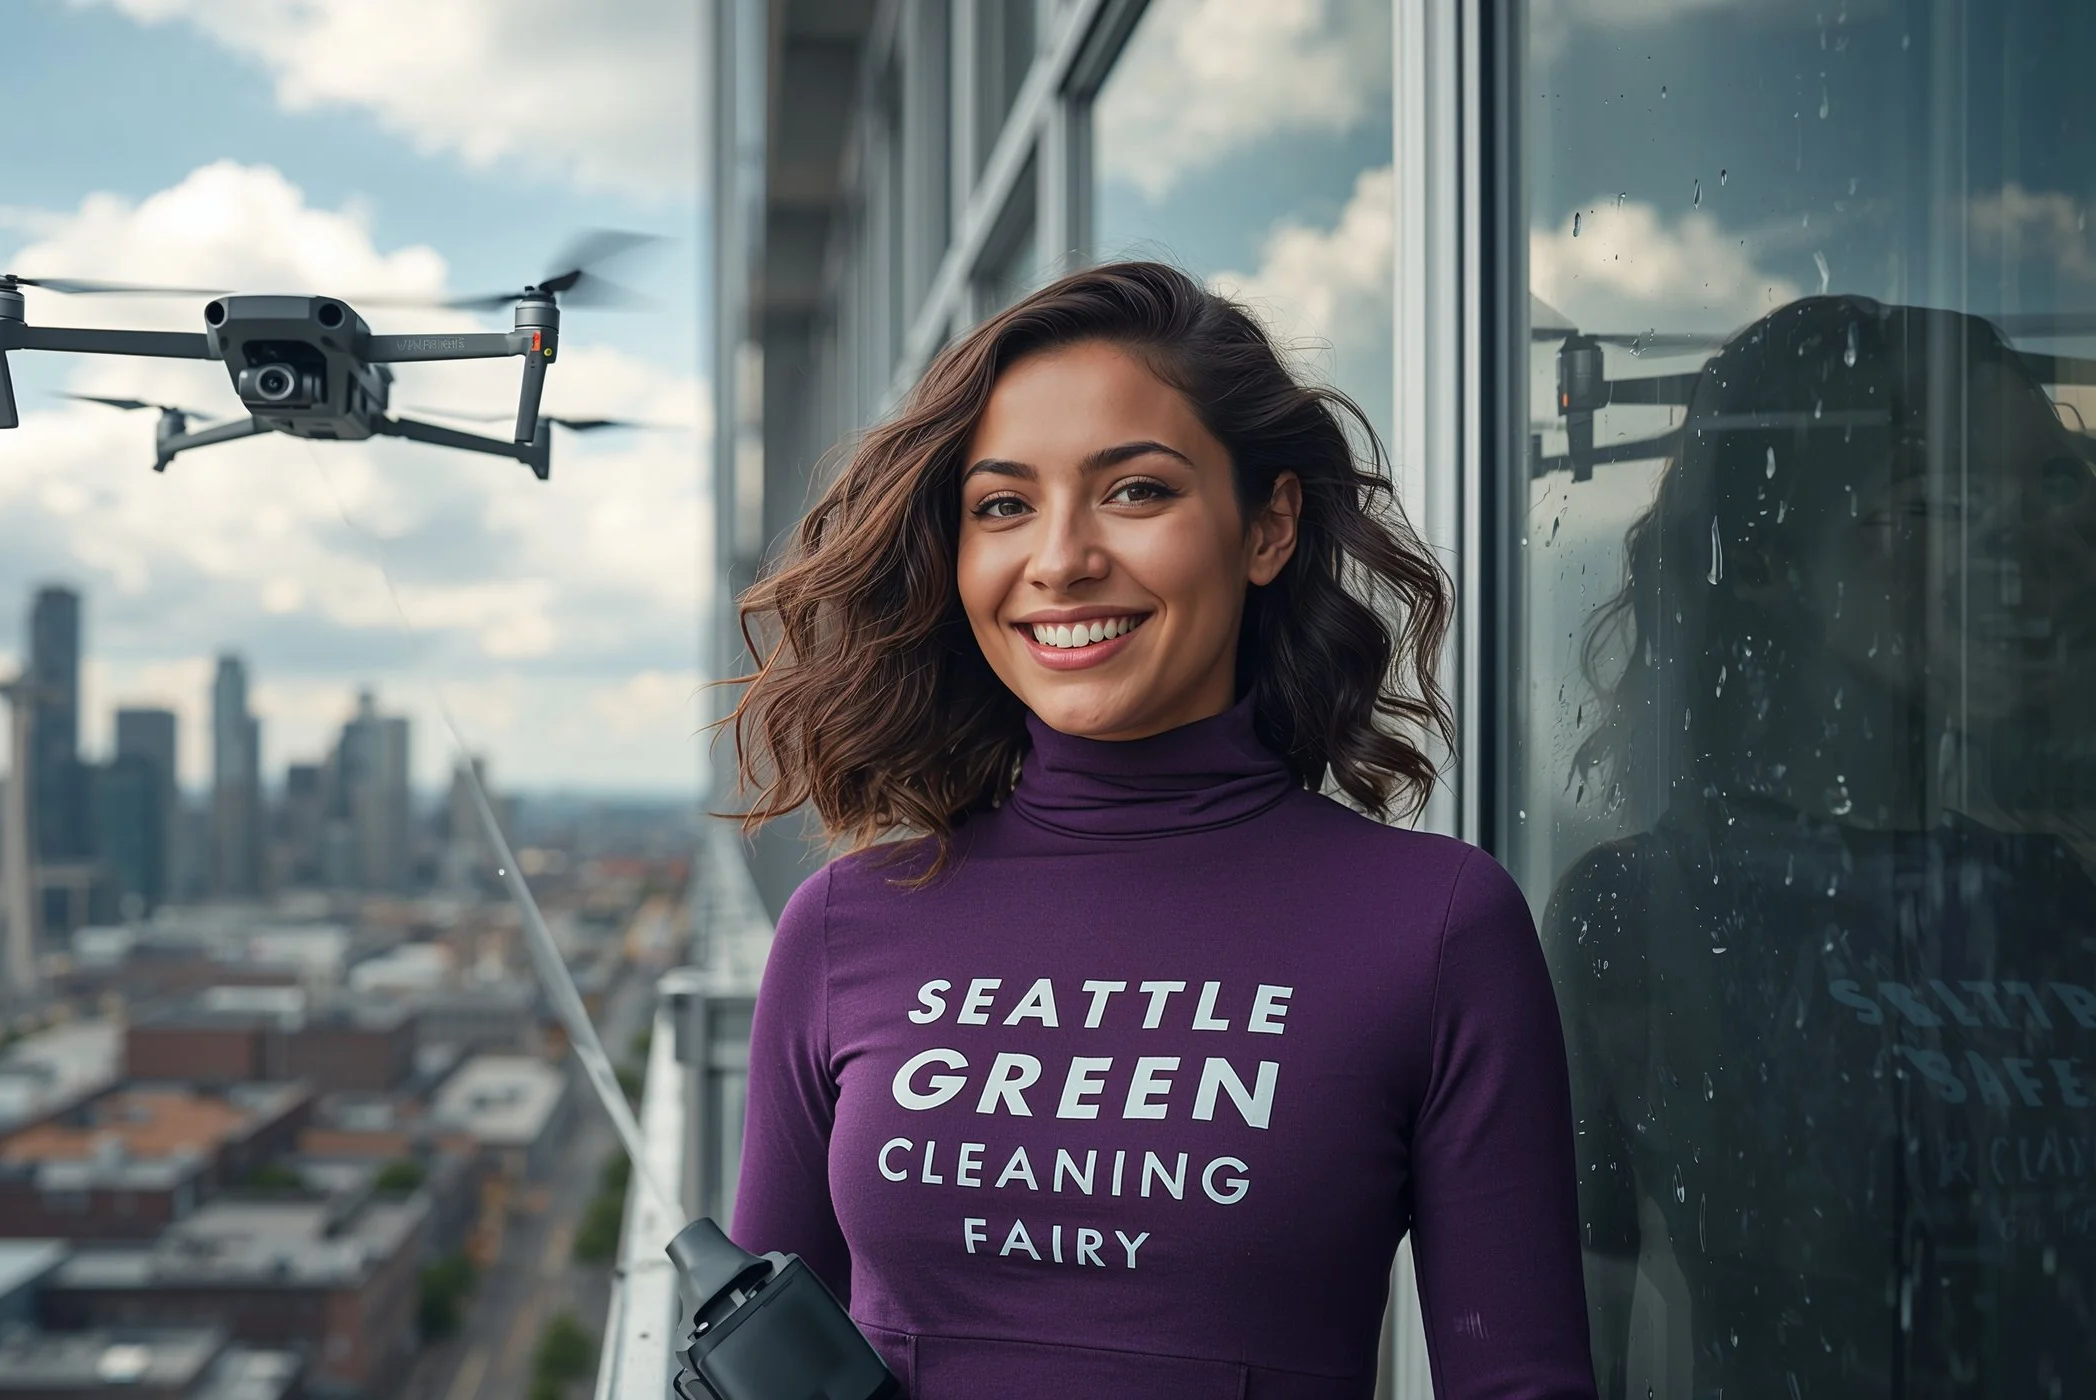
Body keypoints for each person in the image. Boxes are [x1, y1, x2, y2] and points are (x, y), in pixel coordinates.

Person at [719, 262, 1595, 1397]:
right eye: (1002, 504)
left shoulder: (1432, 926)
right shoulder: (845, 921)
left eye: (1135, 491)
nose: (1060, 558)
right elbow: (756, 1357)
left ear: (1267, 525)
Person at [1545, 295, 2096, 1396]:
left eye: (2052, 487)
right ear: (1760, 563)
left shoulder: (2052, 889)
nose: (2024, 550)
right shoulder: (1651, 908)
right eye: (1935, 503)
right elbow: (1569, 1332)